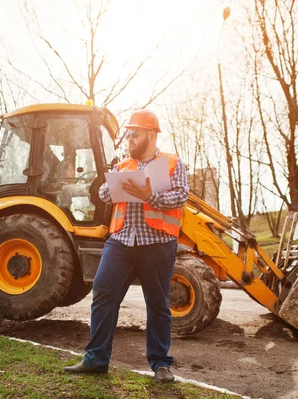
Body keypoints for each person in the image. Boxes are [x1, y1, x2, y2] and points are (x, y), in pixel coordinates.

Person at [63, 109, 189, 383]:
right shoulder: (123, 166)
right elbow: (103, 194)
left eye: (135, 133)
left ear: (152, 134)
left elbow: (181, 196)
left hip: (157, 242)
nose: (130, 138)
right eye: (129, 133)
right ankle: (95, 359)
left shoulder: (171, 162)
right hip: (120, 240)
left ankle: (160, 365)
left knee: (157, 303)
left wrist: (150, 196)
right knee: (103, 294)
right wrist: (110, 187)